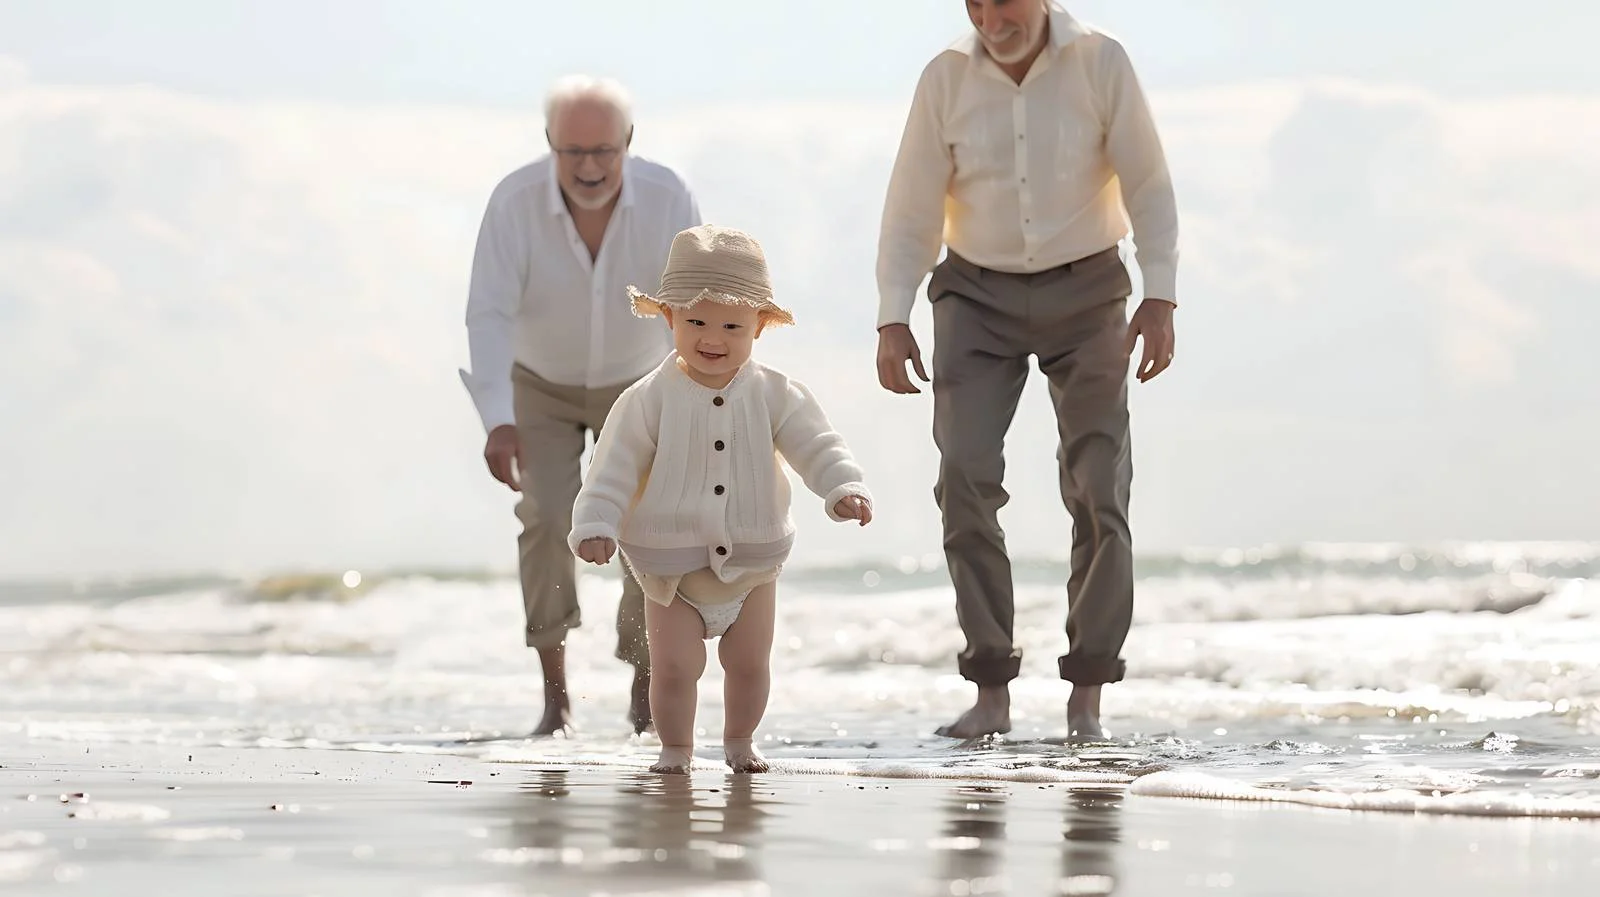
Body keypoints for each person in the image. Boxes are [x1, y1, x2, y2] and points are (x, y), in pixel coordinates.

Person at [874, 0, 1180, 740]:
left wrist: (1160, 294)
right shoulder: (944, 77)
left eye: (1002, 0)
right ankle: (990, 691)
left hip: (1090, 290)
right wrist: (893, 313)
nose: (988, 17)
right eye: (972, 2)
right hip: (975, 294)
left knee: (1100, 483)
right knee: (966, 478)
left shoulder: (1101, 61)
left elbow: (1148, 183)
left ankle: (1088, 697)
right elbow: (912, 206)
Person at [568, 224, 874, 774]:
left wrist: (842, 487)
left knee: (750, 663)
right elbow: (612, 467)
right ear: (669, 319)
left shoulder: (776, 394)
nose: (714, 337)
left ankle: (739, 742)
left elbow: (818, 444)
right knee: (675, 667)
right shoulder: (648, 399)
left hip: (753, 559)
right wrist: (597, 524)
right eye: (696, 322)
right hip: (672, 567)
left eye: (733, 324)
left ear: (760, 326)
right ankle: (675, 750)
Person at [459, 74, 702, 736]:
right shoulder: (513, 202)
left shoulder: (667, 196)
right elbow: (488, 314)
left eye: (603, 151)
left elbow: (691, 300)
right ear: (550, 145)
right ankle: (555, 696)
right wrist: (498, 418)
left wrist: (697, 398)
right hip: (538, 380)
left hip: (638, 378)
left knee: (647, 524)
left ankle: (644, 687)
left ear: (628, 141)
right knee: (544, 515)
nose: (589, 168)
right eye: (573, 153)